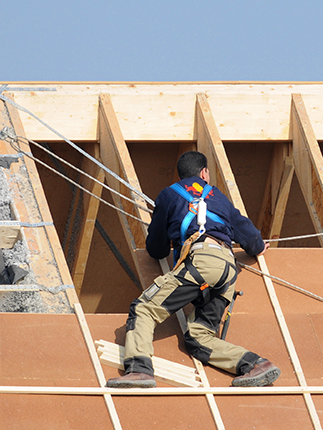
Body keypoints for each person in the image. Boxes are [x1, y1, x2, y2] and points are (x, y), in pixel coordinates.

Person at [106, 151, 280, 388]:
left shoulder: (169, 195)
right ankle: (255, 364)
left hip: (202, 262)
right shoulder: (218, 196)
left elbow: (156, 249)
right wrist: (259, 246)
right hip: (228, 270)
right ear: (204, 173)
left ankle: (139, 369)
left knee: (145, 309)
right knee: (199, 337)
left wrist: (172, 237)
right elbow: (251, 240)